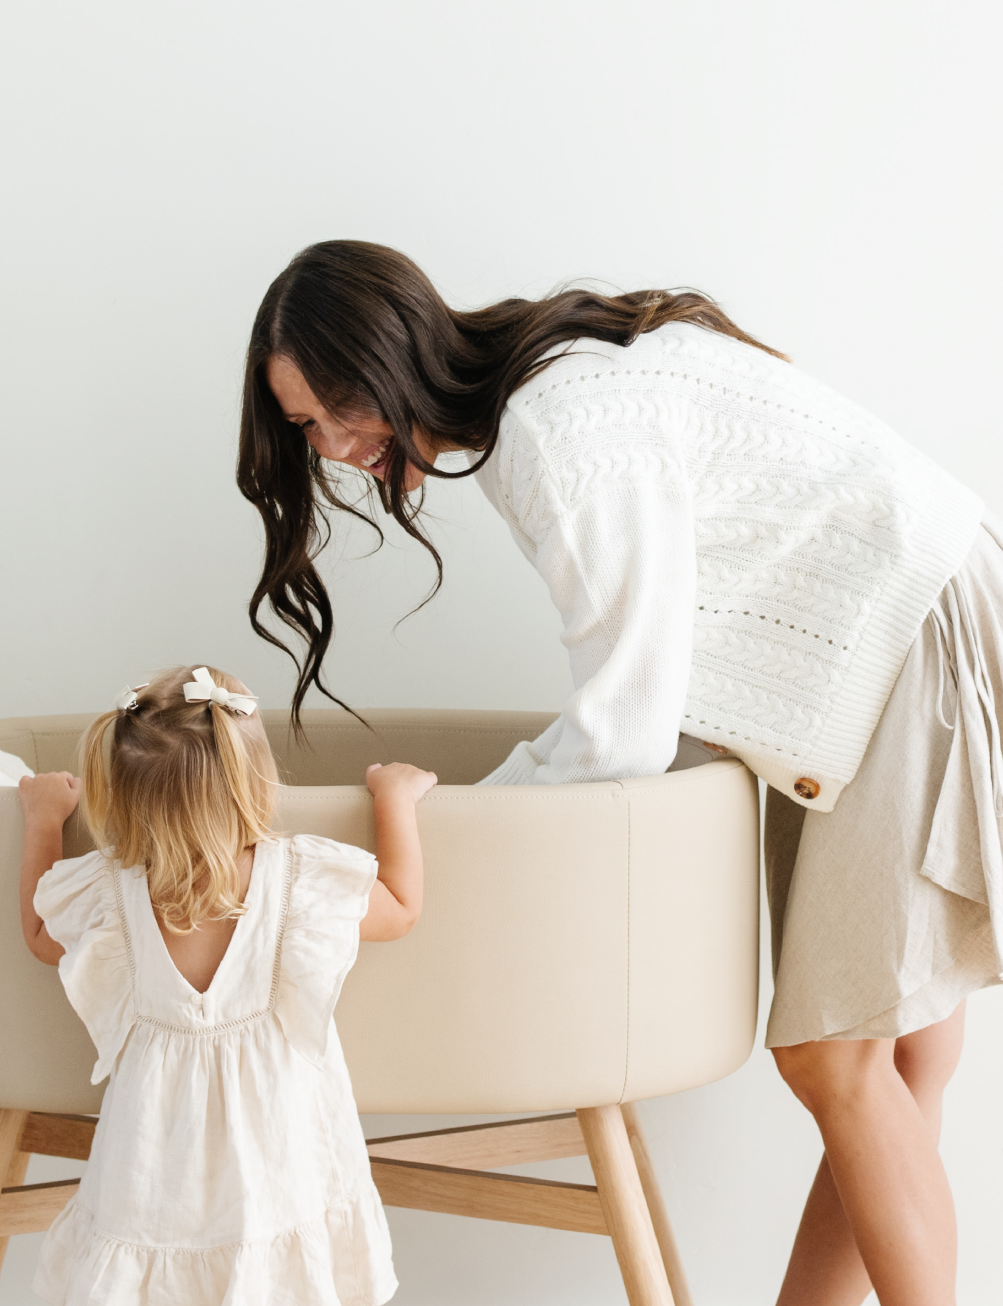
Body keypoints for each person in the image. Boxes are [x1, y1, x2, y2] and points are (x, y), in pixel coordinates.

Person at [237, 240, 1003, 1306]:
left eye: (327, 413)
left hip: (893, 633)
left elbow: (624, 725)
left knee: (837, 1059)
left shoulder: (556, 431)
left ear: (384, 360)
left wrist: (450, 827)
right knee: (889, 1061)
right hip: (889, 622)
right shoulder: (544, 394)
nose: (329, 450)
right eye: (306, 428)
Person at [15, 664, 433, 1306]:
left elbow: (41, 937)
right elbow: (401, 908)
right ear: (254, 785)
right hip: (278, 1180)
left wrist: (43, 821)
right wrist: (394, 800)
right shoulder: (297, 881)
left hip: (152, 1186)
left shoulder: (110, 893)